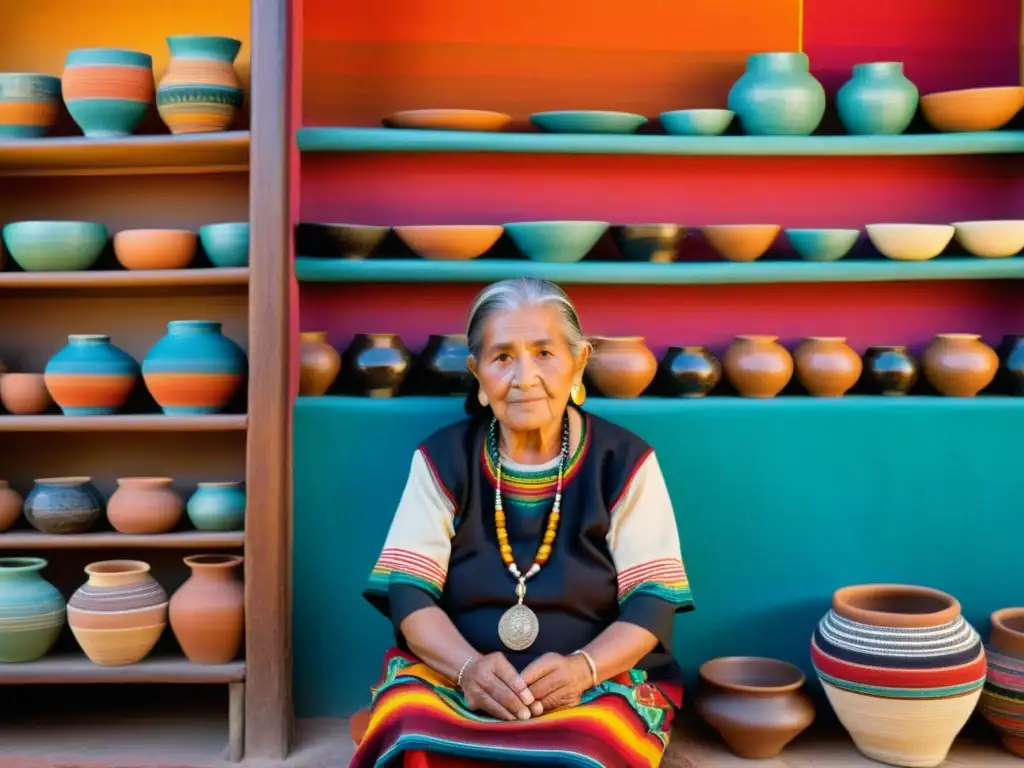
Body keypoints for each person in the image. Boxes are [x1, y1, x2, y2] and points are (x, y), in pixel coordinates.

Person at [351, 278, 695, 768]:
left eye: (544, 354)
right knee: (412, 729)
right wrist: (468, 670)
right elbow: (409, 593)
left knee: (586, 747)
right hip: (457, 679)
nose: (524, 377)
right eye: (502, 357)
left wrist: (583, 669)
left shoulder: (624, 461)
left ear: (579, 361)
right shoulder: (442, 458)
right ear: (477, 373)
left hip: (597, 682)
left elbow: (653, 601)